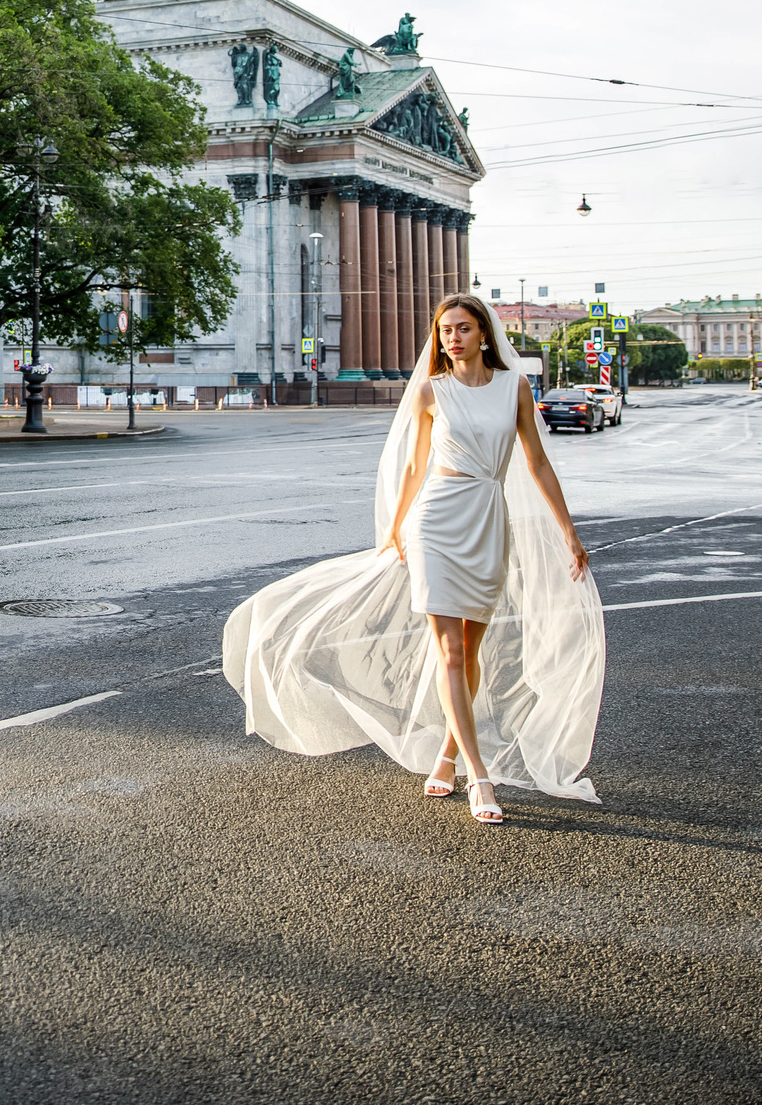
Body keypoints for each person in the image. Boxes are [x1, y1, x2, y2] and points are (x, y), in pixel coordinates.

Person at [224, 293, 603, 825]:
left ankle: (447, 753)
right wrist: (395, 528)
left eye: (463, 328)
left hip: (488, 519)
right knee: (450, 650)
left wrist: (569, 532)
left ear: (484, 334)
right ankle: (481, 776)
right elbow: (411, 468)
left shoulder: (513, 387)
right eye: (445, 329)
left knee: (470, 651)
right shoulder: (430, 389)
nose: (452, 337)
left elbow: (537, 463)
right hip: (436, 521)